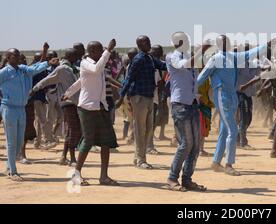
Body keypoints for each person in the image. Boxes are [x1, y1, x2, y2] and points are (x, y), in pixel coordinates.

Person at [197, 35, 274, 176]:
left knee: (225, 131)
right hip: (222, 95)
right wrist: (194, 94)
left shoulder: (234, 56)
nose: (228, 43)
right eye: (225, 42)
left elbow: (251, 53)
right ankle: (228, 164)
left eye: (228, 41)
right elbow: (201, 77)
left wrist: (265, 45)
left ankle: (216, 162)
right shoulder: (215, 59)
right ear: (219, 44)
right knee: (233, 130)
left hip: (232, 95)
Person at [63, 39, 119, 186]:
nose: (102, 52)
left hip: (101, 107)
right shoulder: (85, 63)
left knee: (106, 142)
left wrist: (68, 92)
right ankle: (76, 175)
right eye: (100, 50)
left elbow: (82, 81)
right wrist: (109, 50)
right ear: (93, 51)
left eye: (103, 50)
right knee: (88, 141)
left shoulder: (97, 63)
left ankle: (104, 176)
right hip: (87, 108)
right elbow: (95, 70)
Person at [0, 43, 58, 181]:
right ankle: (13, 172)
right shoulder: (4, 73)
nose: (18, 56)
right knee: (11, 141)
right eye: (15, 54)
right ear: (8, 57)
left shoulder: (23, 70)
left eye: (19, 54)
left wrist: (47, 62)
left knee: (19, 140)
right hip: (9, 108)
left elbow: (36, 68)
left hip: (21, 108)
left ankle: (9, 166)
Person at [165, 32, 210, 192]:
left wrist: (197, 95)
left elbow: (194, 77)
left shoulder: (191, 56)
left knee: (196, 145)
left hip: (191, 104)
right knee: (186, 143)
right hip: (180, 105)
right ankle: (172, 178)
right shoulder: (172, 57)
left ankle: (187, 179)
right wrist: (202, 50)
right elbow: (187, 65)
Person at [116, 36, 167, 170]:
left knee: (148, 129)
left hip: (149, 97)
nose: (149, 44)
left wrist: (178, 64)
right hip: (139, 98)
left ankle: (138, 156)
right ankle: (141, 160)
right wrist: (121, 97)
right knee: (140, 129)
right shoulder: (138, 59)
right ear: (140, 44)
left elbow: (163, 65)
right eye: (147, 42)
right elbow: (129, 79)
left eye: (149, 41)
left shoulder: (149, 58)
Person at [32, 49, 81, 166]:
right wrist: (35, 89)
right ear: (71, 55)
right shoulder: (62, 69)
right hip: (68, 102)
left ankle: (64, 157)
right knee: (73, 130)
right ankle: (72, 158)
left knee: (71, 130)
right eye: (76, 54)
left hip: (75, 102)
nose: (78, 57)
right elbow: (48, 79)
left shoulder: (72, 68)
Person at [236, 43, 260, 150]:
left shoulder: (252, 63)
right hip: (241, 93)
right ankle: (243, 141)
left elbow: (259, 72)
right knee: (244, 118)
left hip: (249, 94)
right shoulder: (239, 64)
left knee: (248, 118)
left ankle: (238, 138)